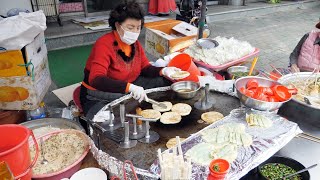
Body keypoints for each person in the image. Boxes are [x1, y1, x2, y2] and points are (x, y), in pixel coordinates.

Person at [80, 2, 179, 116]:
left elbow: (145, 68)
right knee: (124, 105)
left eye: (138, 28)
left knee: (163, 81)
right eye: (130, 27)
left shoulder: (135, 44)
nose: (135, 32)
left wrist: (164, 70)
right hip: (99, 90)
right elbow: (96, 79)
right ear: (117, 25)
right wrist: (130, 87)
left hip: (130, 82)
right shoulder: (104, 44)